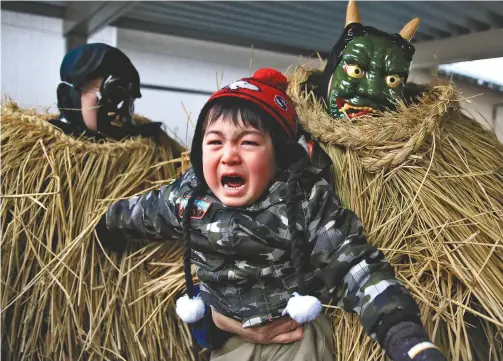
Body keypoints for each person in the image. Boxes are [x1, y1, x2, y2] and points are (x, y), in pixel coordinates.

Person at [97, 68, 446, 361]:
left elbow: (355, 268)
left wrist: (406, 339)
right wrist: (108, 224)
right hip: (227, 337)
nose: (229, 155)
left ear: (279, 154)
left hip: (292, 337)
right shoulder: (186, 200)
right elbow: (144, 212)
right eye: (214, 142)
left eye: (247, 142)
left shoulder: (302, 204)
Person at [49, 42, 162, 141]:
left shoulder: (146, 145)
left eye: (128, 99)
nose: (119, 110)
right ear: (73, 97)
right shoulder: (49, 143)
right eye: (112, 94)